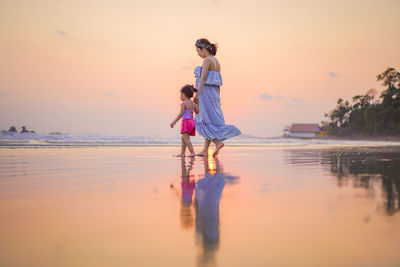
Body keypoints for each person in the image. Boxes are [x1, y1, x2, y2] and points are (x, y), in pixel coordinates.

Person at [193, 38, 241, 156]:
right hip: (214, 95)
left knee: (202, 119)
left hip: (205, 95)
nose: (197, 53)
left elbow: (203, 78)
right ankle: (205, 150)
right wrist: (218, 98)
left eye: (198, 51)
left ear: (204, 49)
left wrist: (197, 95)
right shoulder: (216, 61)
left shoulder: (206, 60)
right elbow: (218, 82)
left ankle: (217, 142)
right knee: (209, 121)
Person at [170, 84, 199, 157]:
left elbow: (181, 114)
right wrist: (197, 104)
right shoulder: (193, 103)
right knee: (183, 138)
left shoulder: (184, 104)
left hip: (186, 122)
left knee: (186, 139)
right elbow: (197, 112)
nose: (180, 96)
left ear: (184, 94)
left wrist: (174, 122)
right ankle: (182, 153)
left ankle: (192, 152)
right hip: (192, 122)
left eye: (180, 94)